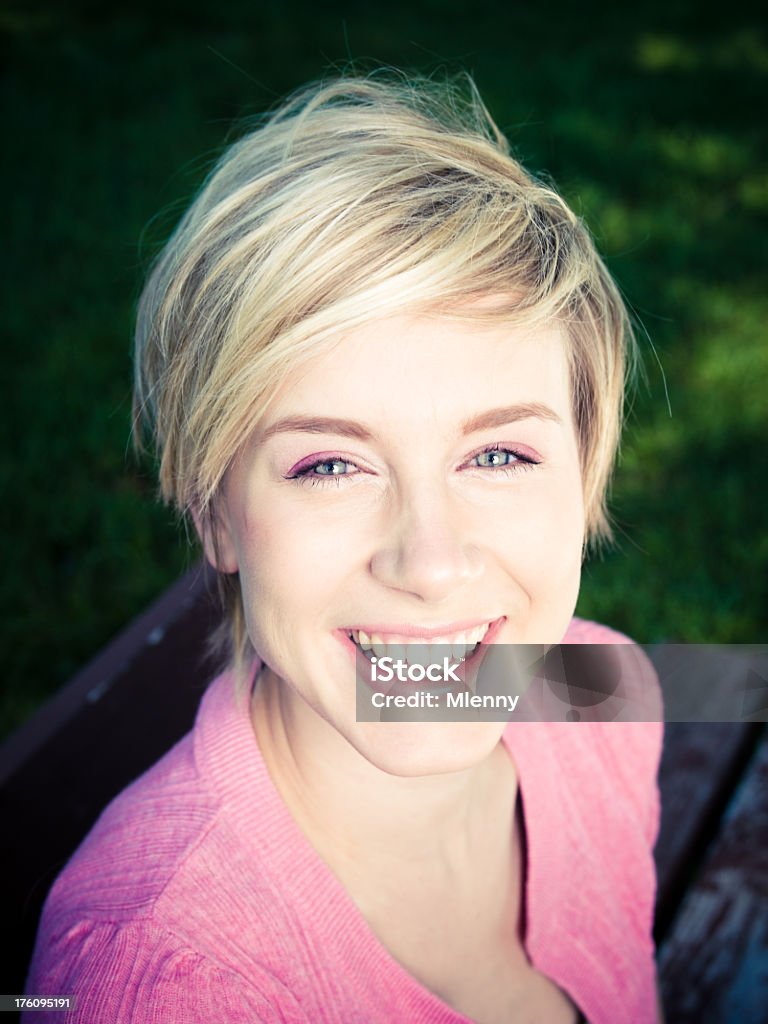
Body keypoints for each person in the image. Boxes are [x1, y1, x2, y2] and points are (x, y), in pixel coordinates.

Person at [25, 72, 664, 1023]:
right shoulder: (158, 983)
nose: (430, 561)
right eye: (330, 465)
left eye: (498, 453)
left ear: (585, 478)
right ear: (214, 514)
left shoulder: (604, 691)